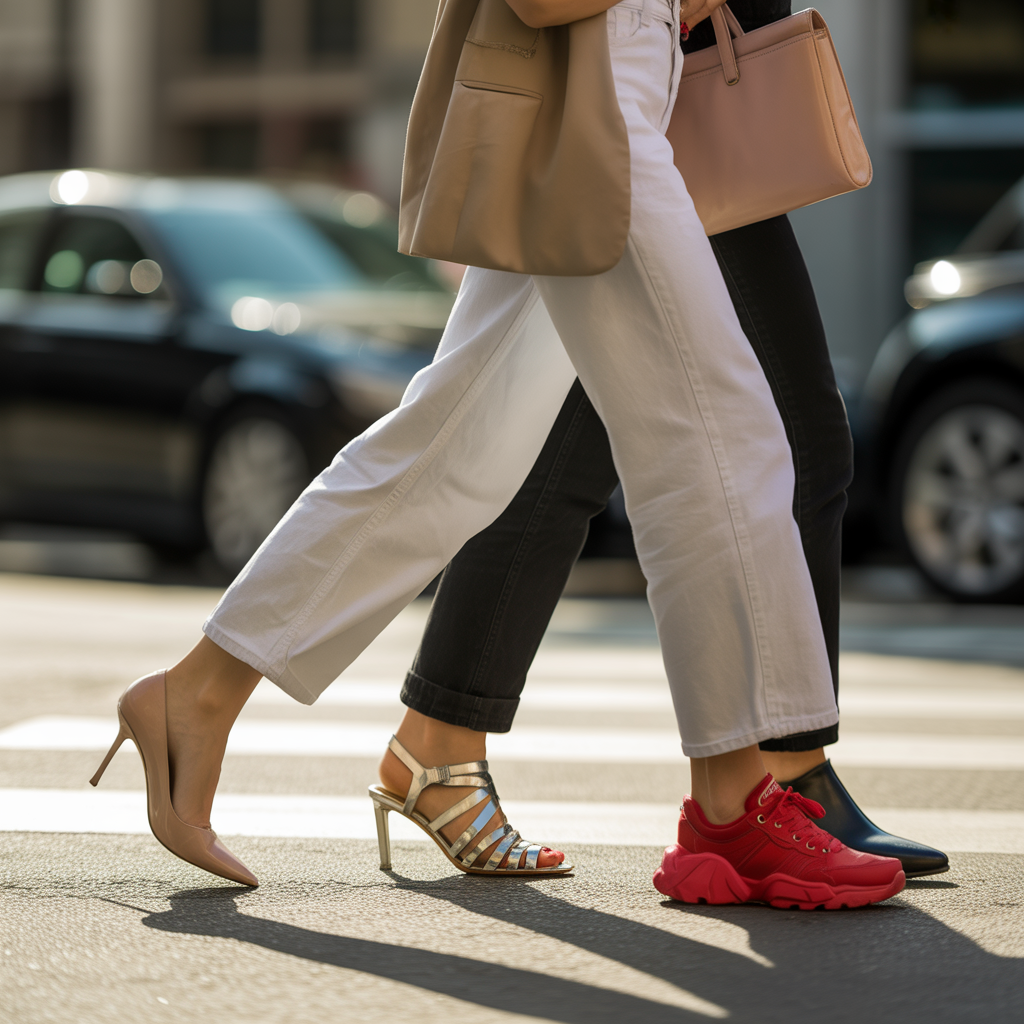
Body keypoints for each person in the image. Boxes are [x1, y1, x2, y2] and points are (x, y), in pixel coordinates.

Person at [91, 0, 906, 908]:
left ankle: (199, 693)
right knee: (718, 437)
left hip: (595, 76)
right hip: (592, 72)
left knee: (458, 448)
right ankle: (734, 807)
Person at [381, 0, 948, 880]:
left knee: (567, 441)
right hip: (664, 64)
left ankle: (439, 743)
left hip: (671, 65)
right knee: (795, 440)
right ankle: (777, 779)